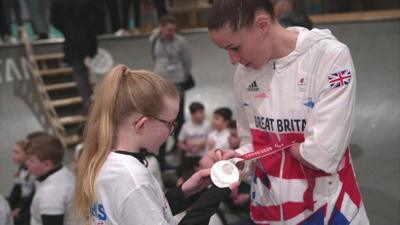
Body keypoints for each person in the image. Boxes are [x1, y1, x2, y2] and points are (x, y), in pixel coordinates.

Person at [205, 0, 370, 224]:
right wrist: (242, 159)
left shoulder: (329, 56)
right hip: (268, 212)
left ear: (262, 25)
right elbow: (253, 142)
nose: (233, 60)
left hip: (329, 211)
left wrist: (275, 148)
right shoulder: (244, 75)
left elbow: (323, 153)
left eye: (235, 48)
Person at [74, 65, 237, 225]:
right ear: (142, 124)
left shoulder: (108, 160)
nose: (171, 132)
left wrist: (184, 192)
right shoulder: (132, 178)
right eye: (170, 124)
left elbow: (140, 213)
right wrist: (213, 197)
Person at [150, 14, 193, 170]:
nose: (171, 33)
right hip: (160, 83)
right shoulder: (153, 39)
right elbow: (154, 56)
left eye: (174, 30)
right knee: (161, 117)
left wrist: (182, 76)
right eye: (168, 30)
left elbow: (188, 62)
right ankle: (160, 156)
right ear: (162, 28)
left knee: (179, 117)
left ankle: (177, 146)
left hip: (177, 83)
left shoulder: (181, 42)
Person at [50, 0, 98, 114]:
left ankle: (87, 103)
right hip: (87, 37)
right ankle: (91, 103)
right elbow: (98, 12)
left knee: (80, 73)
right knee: (83, 72)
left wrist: (67, 28)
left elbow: (54, 19)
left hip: (73, 39)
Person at [26, 135, 75, 225]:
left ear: (47, 164)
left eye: (31, 161)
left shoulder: (50, 193)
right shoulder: (62, 171)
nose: (27, 163)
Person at [177, 102, 211, 174]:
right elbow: (179, 143)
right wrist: (187, 148)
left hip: (203, 155)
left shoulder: (208, 125)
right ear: (192, 114)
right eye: (200, 112)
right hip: (189, 156)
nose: (203, 115)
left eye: (203, 112)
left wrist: (202, 144)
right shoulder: (186, 126)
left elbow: (212, 139)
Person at [8, 139, 35, 225]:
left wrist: (20, 208)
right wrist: (8, 205)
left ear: (27, 154)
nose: (13, 155)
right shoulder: (21, 168)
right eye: (13, 152)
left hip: (30, 203)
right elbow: (16, 189)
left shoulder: (34, 172)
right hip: (22, 200)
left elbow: (33, 194)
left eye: (17, 152)